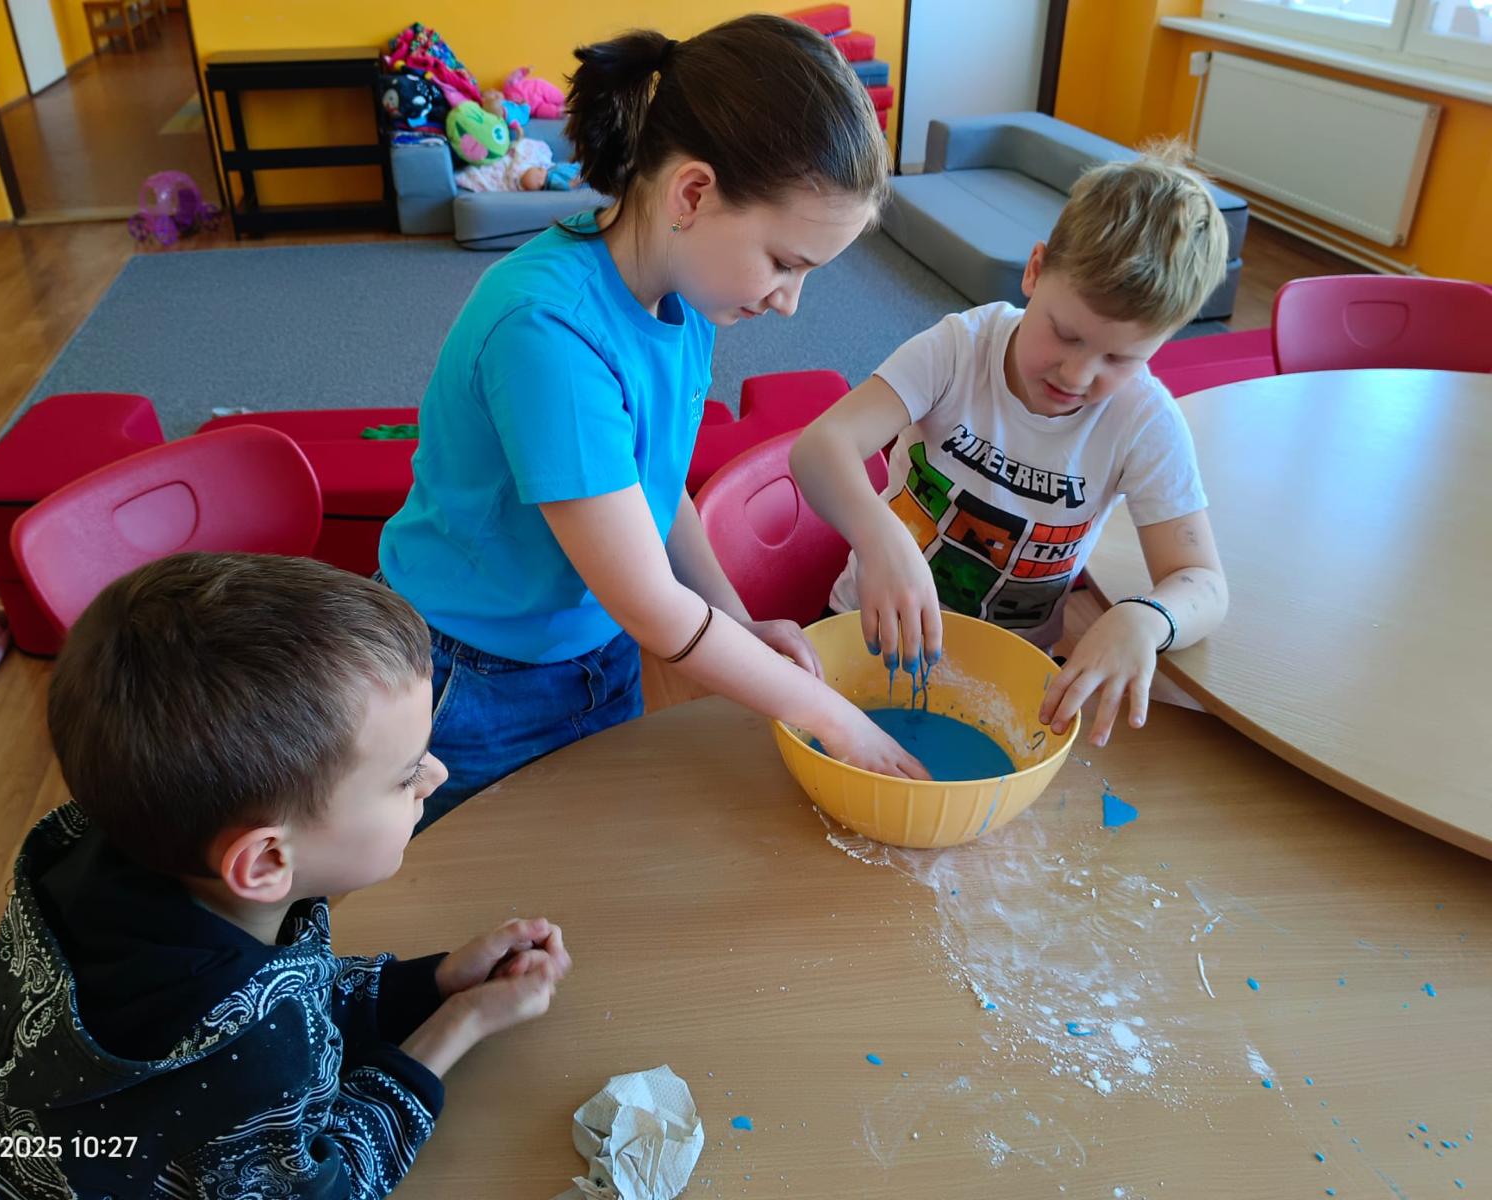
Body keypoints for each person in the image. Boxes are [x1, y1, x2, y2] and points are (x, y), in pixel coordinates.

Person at [379, 13, 927, 828]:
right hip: (472, 674)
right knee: (477, 869)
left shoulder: (687, 292)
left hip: (592, 648)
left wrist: (736, 618)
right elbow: (653, 606)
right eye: (785, 264)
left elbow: (653, 490)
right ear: (692, 194)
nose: (789, 302)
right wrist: (833, 717)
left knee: (598, 852)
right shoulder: (548, 332)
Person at [0, 553, 569, 1198]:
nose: (437, 775)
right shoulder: (253, 1057)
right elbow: (324, 1185)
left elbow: (284, 993)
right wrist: (457, 1026)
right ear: (266, 861)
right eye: (405, 775)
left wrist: (432, 982)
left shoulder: (107, 850)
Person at [791, 148, 1231, 747]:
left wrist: (1148, 619)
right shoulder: (958, 349)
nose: (1077, 374)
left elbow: (1202, 581)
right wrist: (881, 538)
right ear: (1035, 271)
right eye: (1066, 333)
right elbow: (820, 448)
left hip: (1006, 668)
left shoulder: (1144, 420)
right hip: (869, 631)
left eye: (1120, 358)